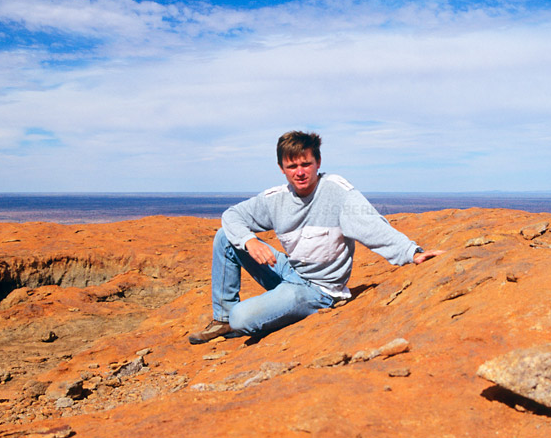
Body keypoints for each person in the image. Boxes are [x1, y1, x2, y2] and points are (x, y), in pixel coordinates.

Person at [189, 130, 443, 344]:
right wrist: (249, 240)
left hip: (319, 290)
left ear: (318, 162)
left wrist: (412, 253)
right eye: (292, 166)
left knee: (241, 318)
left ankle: (249, 316)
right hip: (290, 272)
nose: (300, 172)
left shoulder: (337, 192)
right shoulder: (276, 199)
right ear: (282, 169)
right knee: (226, 237)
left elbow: (373, 227)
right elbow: (232, 216)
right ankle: (221, 320)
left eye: (305, 164)